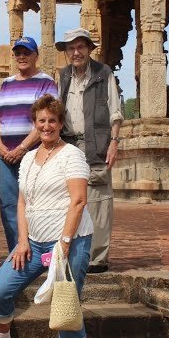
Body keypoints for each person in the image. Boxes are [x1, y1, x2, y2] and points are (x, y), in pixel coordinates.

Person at [0, 95, 93, 338]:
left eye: (52, 120)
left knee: (67, 301)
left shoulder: (72, 155)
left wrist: (64, 243)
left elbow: (78, 201)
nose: (47, 126)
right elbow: (22, 202)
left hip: (70, 241)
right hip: (35, 243)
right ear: (35, 124)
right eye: (41, 121)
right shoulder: (28, 157)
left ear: (61, 123)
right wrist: (21, 241)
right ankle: (3, 336)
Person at [56, 28, 123, 274]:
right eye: (71, 48)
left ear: (89, 49)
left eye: (80, 47)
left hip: (98, 143)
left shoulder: (104, 74)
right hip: (70, 145)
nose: (76, 52)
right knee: (70, 199)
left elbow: (116, 111)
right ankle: (70, 251)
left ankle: (97, 258)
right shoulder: (63, 76)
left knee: (99, 201)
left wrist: (115, 141)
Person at [0, 36, 59, 251]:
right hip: (6, 155)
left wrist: (21, 148)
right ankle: (16, 250)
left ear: (36, 56)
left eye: (26, 52)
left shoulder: (45, 82)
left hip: (33, 154)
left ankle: (41, 252)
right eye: (18, 53)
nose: (22, 57)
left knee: (38, 202)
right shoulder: (7, 83)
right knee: (8, 205)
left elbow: (46, 121)